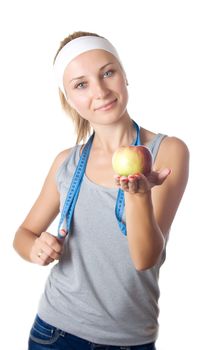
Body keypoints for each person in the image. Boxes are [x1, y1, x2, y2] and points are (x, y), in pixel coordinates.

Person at [13, 31, 189, 350]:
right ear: (69, 98)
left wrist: (138, 195)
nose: (100, 90)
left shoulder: (167, 152)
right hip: (54, 333)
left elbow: (144, 258)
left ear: (124, 76)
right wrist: (34, 249)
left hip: (129, 340)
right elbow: (24, 233)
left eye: (107, 72)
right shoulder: (66, 163)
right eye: (81, 84)